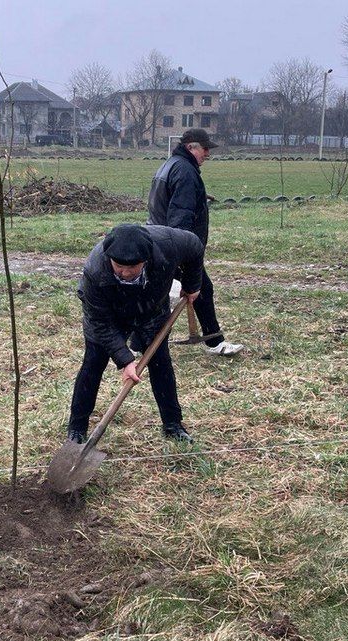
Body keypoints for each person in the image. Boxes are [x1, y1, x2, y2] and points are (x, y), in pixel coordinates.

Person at [68, 223, 204, 443]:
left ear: (146, 259)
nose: (126, 272)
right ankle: (77, 428)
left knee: (160, 363)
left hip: (151, 310)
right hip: (108, 315)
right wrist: (125, 360)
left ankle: (173, 425)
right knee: (93, 363)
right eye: (119, 266)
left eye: (133, 266)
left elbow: (195, 247)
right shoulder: (95, 270)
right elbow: (100, 323)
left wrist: (192, 284)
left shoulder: (168, 244)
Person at [147, 128, 243, 356]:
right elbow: (180, 214)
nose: (208, 153)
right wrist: (184, 253)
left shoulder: (170, 165)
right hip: (174, 244)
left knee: (160, 293)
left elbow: (169, 200)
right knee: (201, 288)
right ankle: (215, 342)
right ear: (191, 147)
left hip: (158, 238)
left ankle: (138, 342)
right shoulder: (186, 172)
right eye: (205, 148)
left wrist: (199, 197)